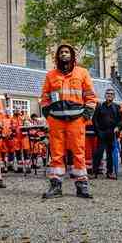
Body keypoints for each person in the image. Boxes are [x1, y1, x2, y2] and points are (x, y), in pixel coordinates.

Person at [41, 44, 97, 199]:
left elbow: (91, 97)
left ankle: (82, 186)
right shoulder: (51, 75)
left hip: (76, 120)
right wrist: (49, 115)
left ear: (72, 56)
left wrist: (86, 116)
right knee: (56, 154)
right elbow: (45, 98)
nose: (64, 54)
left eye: (67, 52)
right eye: (61, 52)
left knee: (79, 153)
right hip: (56, 121)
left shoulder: (82, 73)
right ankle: (56, 186)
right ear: (57, 56)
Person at [92, 88, 122, 179]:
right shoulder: (100, 107)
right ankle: (95, 172)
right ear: (105, 95)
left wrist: (118, 127)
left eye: (111, 94)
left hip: (112, 133)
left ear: (114, 96)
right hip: (102, 133)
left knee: (110, 154)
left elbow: (121, 120)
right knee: (99, 153)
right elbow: (95, 120)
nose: (109, 95)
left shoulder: (117, 107)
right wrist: (98, 132)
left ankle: (109, 172)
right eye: (107, 93)